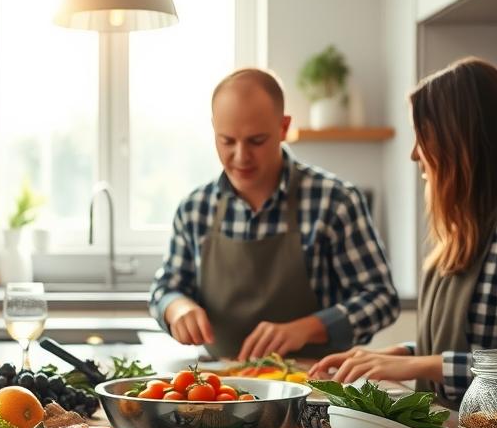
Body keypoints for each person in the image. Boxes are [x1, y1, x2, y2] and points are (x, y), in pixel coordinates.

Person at [310, 57, 497, 404]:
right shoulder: (473, 227)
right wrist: (401, 355)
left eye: (424, 138)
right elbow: (475, 344)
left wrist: (420, 365)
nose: (415, 155)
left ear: (462, 143)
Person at [150, 68, 399, 361]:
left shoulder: (335, 201)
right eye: (227, 141)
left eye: (256, 141)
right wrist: (177, 307)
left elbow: (381, 299)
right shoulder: (194, 210)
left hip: (313, 388)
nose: (241, 156)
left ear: (283, 127)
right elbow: (166, 288)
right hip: (219, 390)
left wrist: (309, 328)